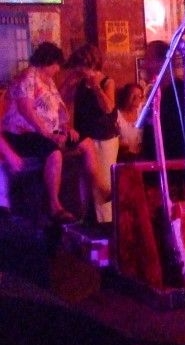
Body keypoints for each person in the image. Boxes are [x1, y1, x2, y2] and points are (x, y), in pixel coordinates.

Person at [1, 42, 108, 224]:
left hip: (52, 130)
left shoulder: (48, 81)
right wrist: (48, 134)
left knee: (87, 144)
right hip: (24, 133)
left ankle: (98, 188)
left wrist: (66, 126)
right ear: (48, 61)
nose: (58, 70)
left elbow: (59, 107)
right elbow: (27, 110)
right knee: (54, 153)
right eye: (57, 65)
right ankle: (54, 204)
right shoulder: (28, 77)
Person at [65, 44, 119, 223]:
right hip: (85, 139)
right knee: (85, 185)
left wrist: (96, 88)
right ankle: (87, 223)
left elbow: (109, 108)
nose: (79, 69)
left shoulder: (107, 82)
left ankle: (107, 225)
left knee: (102, 185)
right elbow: (63, 103)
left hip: (104, 138)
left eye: (81, 65)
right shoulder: (79, 83)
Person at [116, 82, 145, 161]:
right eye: (132, 95)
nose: (136, 99)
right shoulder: (116, 116)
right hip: (123, 158)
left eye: (139, 96)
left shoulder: (142, 111)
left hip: (142, 158)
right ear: (125, 96)